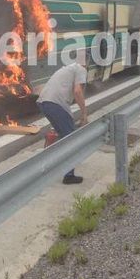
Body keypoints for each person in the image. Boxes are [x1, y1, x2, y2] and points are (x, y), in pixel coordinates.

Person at [37, 56, 88, 184]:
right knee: (71, 139)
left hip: (43, 103)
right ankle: (68, 175)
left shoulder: (66, 69)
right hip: (55, 104)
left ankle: (48, 165)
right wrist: (84, 114)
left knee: (63, 136)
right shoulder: (81, 69)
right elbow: (77, 92)